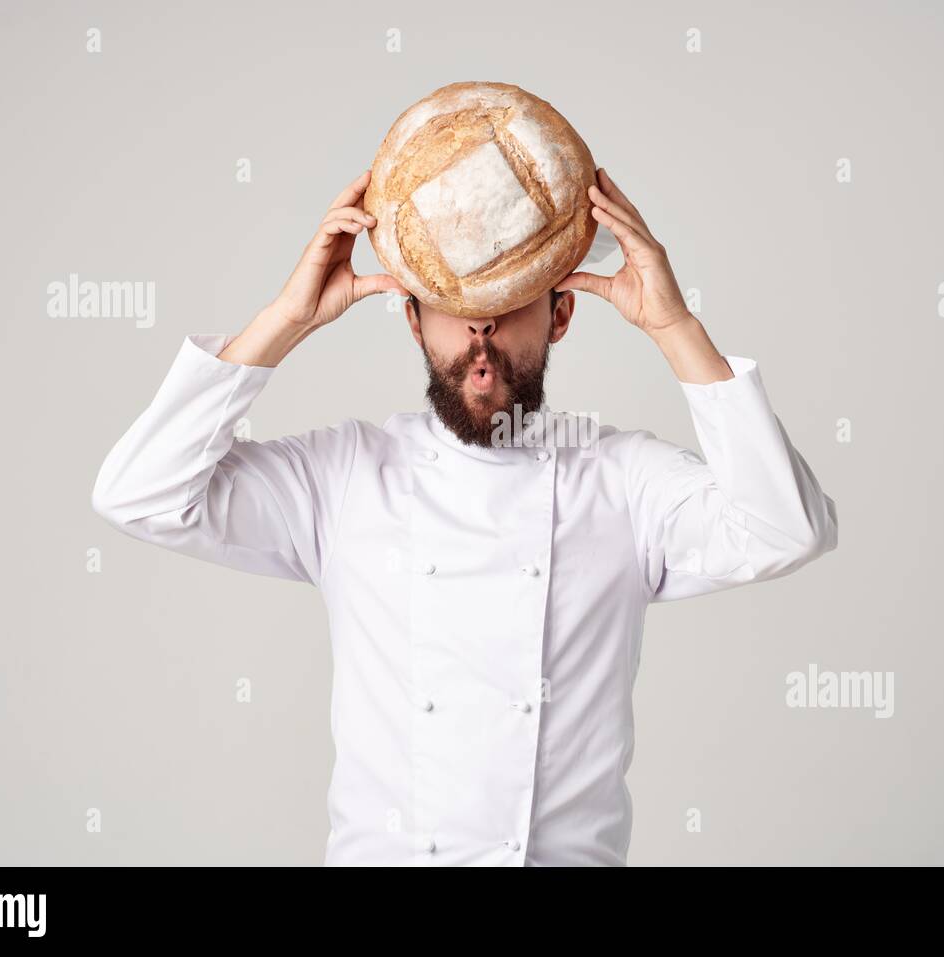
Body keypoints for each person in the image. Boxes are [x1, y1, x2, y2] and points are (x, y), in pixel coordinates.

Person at [91, 166, 839, 866]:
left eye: (508, 299)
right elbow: (142, 491)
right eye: (453, 304)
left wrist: (675, 325)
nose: (480, 331)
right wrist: (285, 319)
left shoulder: (621, 481)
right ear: (413, 322)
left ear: (562, 313)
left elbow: (787, 527)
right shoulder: (346, 477)